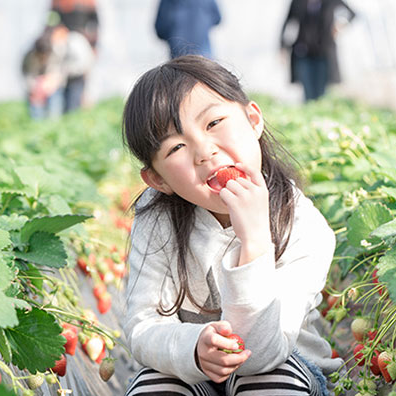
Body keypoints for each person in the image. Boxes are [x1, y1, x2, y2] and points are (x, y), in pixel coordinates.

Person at [120, 55, 341, 395]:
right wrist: (194, 347)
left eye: (213, 123)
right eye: (177, 146)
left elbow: (260, 356)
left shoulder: (303, 226)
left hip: (285, 365)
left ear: (253, 120)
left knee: (270, 383)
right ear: (157, 179)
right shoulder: (158, 218)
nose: (204, 152)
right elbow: (142, 325)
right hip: (193, 373)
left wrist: (254, 241)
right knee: (154, 385)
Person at [280, 0, 355, 102]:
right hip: (303, 52)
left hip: (324, 53)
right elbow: (288, 22)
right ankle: (310, 113)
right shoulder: (297, 2)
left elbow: (352, 13)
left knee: (321, 92)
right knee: (308, 91)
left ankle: (321, 113)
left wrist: (340, 25)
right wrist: (282, 47)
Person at [21, 23, 93, 119]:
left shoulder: (76, 43)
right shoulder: (34, 55)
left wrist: (55, 79)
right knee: (42, 108)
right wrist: (37, 85)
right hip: (53, 81)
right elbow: (28, 73)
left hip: (76, 77)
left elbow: (84, 65)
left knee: (72, 106)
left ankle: (66, 121)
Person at [51, 0, 99, 111]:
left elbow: (95, 23)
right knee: (61, 82)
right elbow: (51, 20)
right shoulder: (58, 2)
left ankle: (76, 109)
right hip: (63, 43)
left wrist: (93, 46)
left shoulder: (88, 3)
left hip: (81, 44)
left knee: (79, 82)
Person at [154, 0, 222, 59]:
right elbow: (217, 19)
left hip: (178, 54)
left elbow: (160, 29)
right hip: (204, 54)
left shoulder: (168, 2)